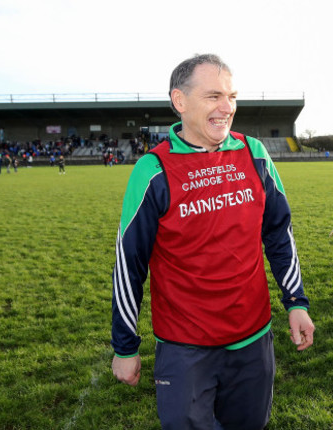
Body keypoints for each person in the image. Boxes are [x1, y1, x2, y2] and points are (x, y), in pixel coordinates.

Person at [110, 54, 315, 429]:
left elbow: (279, 233)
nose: (227, 108)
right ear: (180, 101)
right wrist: (125, 346)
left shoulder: (254, 154)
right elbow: (130, 262)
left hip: (254, 340)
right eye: (213, 96)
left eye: (232, 96)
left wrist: (296, 302)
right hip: (185, 348)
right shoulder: (153, 170)